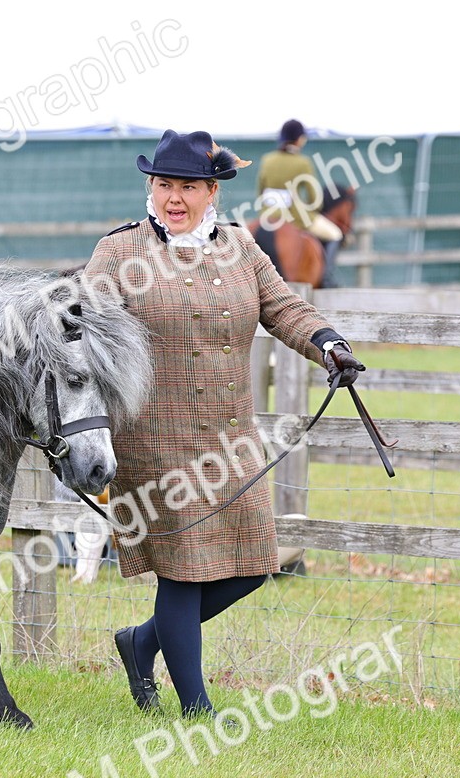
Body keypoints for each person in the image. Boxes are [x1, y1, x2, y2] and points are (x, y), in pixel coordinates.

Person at [83, 129, 365, 717]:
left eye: (189, 186)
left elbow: (283, 307)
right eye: (164, 184)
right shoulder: (119, 252)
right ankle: (197, 710)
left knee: (252, 567)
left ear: (212, 192)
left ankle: (142, 642)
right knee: (183, 573)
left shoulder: (241, 245)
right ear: (150, 187)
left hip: (231, 439)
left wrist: (328, 344)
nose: (175, 197)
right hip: (153, 438)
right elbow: (83, 330)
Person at [256, 119, 344, 286]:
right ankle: (327, 278)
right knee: (335, 234)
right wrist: (312, 207)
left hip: (267, 216)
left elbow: (260, 190)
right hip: (295, 216)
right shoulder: (303, 162)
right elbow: (314, 198)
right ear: (300, 139)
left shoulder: (267, 159)